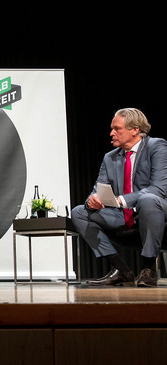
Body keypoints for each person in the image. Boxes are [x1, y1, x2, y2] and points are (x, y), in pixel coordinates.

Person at [71, 108, 167, 287]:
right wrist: (93, 201)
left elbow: (159, 189)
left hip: (154, 210)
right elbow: (98, 189)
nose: (111, 133)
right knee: (79, 212)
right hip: (122, 216)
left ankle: (148, 270)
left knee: (148, 200)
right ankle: (121, 270)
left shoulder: (156, 146)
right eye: (111, 128)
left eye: (117, 129)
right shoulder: (110, 158)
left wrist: (122, 200)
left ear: (135, 130)